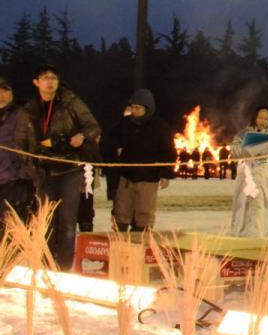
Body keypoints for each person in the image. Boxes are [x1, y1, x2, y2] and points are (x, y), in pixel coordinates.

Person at [26, 64, 101, 268]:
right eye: (45, 77)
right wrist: (31, 166)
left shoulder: (70, 102)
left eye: (54, 78)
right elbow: (23, 140)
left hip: (70, 167)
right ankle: (46, 264)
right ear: (36, 82)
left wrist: (82, 135)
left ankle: (64, 267)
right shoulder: (30, 108)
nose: (50, 81)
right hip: (44, 170)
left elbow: (93, 127)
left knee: (67, 221)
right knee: (45, 220)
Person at [107, 88, 175, 232]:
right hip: (126, 176)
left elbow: (168, 151)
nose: (134, 111)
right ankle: (119, 240)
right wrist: (116, 149)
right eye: (132, 107)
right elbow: (110, 140)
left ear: (147, 108)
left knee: (144, 213)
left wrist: (166, 173)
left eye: (137, 108)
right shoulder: (124, 124)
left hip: (148, 178)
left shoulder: (160, 127)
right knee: (121, 211)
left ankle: (140, 240)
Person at [229, 105, 268, 239]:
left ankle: (267, 240)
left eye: (266, 118)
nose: (263, 121)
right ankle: (244, 238)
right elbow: (234, 152)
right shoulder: (243, 134)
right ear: (255, 118)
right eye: (260, 118)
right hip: (248, 179)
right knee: (245, 210)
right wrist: (248, 149)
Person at [0, 76, 37, 232]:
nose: (2, 94)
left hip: (15, 177)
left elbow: (30, 142)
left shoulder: (21, 113)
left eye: (5, 90)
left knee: (12, 220)